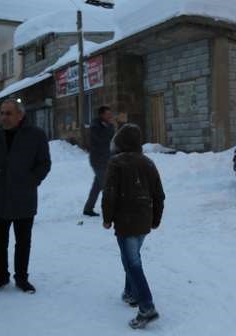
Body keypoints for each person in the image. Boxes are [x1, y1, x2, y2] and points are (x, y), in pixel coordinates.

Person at [0, 99, 51, 294]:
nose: (4, 117)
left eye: (8, 113)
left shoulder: (36, 135)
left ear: (20, 114)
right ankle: (0, 277)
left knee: (23, 241)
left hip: (24, 198)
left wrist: (32, 181)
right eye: (2, 113)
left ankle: (22, 278)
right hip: (1, 197)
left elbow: (44, 163)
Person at [101, 123, 165, 329]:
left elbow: (109, 192)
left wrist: (107, 217)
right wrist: (155, 219)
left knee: (132, 263)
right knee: (132, 256)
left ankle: (147, 307)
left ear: (120, 143)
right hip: (144, 219)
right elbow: (159, 195)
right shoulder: (148, 163)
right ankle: (130, 294)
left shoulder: (116, 163)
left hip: (126, 220)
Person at [83, 105, 115, 217]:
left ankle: (88, 208)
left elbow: (111, 136)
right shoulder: (95, 126)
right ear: (101, 115)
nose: (110, 115)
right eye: (107, 114)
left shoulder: (107, 125)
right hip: (97, 160)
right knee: (106, 185)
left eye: (110, 113)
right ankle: (112, 209)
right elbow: (102, 139)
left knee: (97, 186)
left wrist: (110, 125)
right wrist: (110, 126)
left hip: (105, 159)